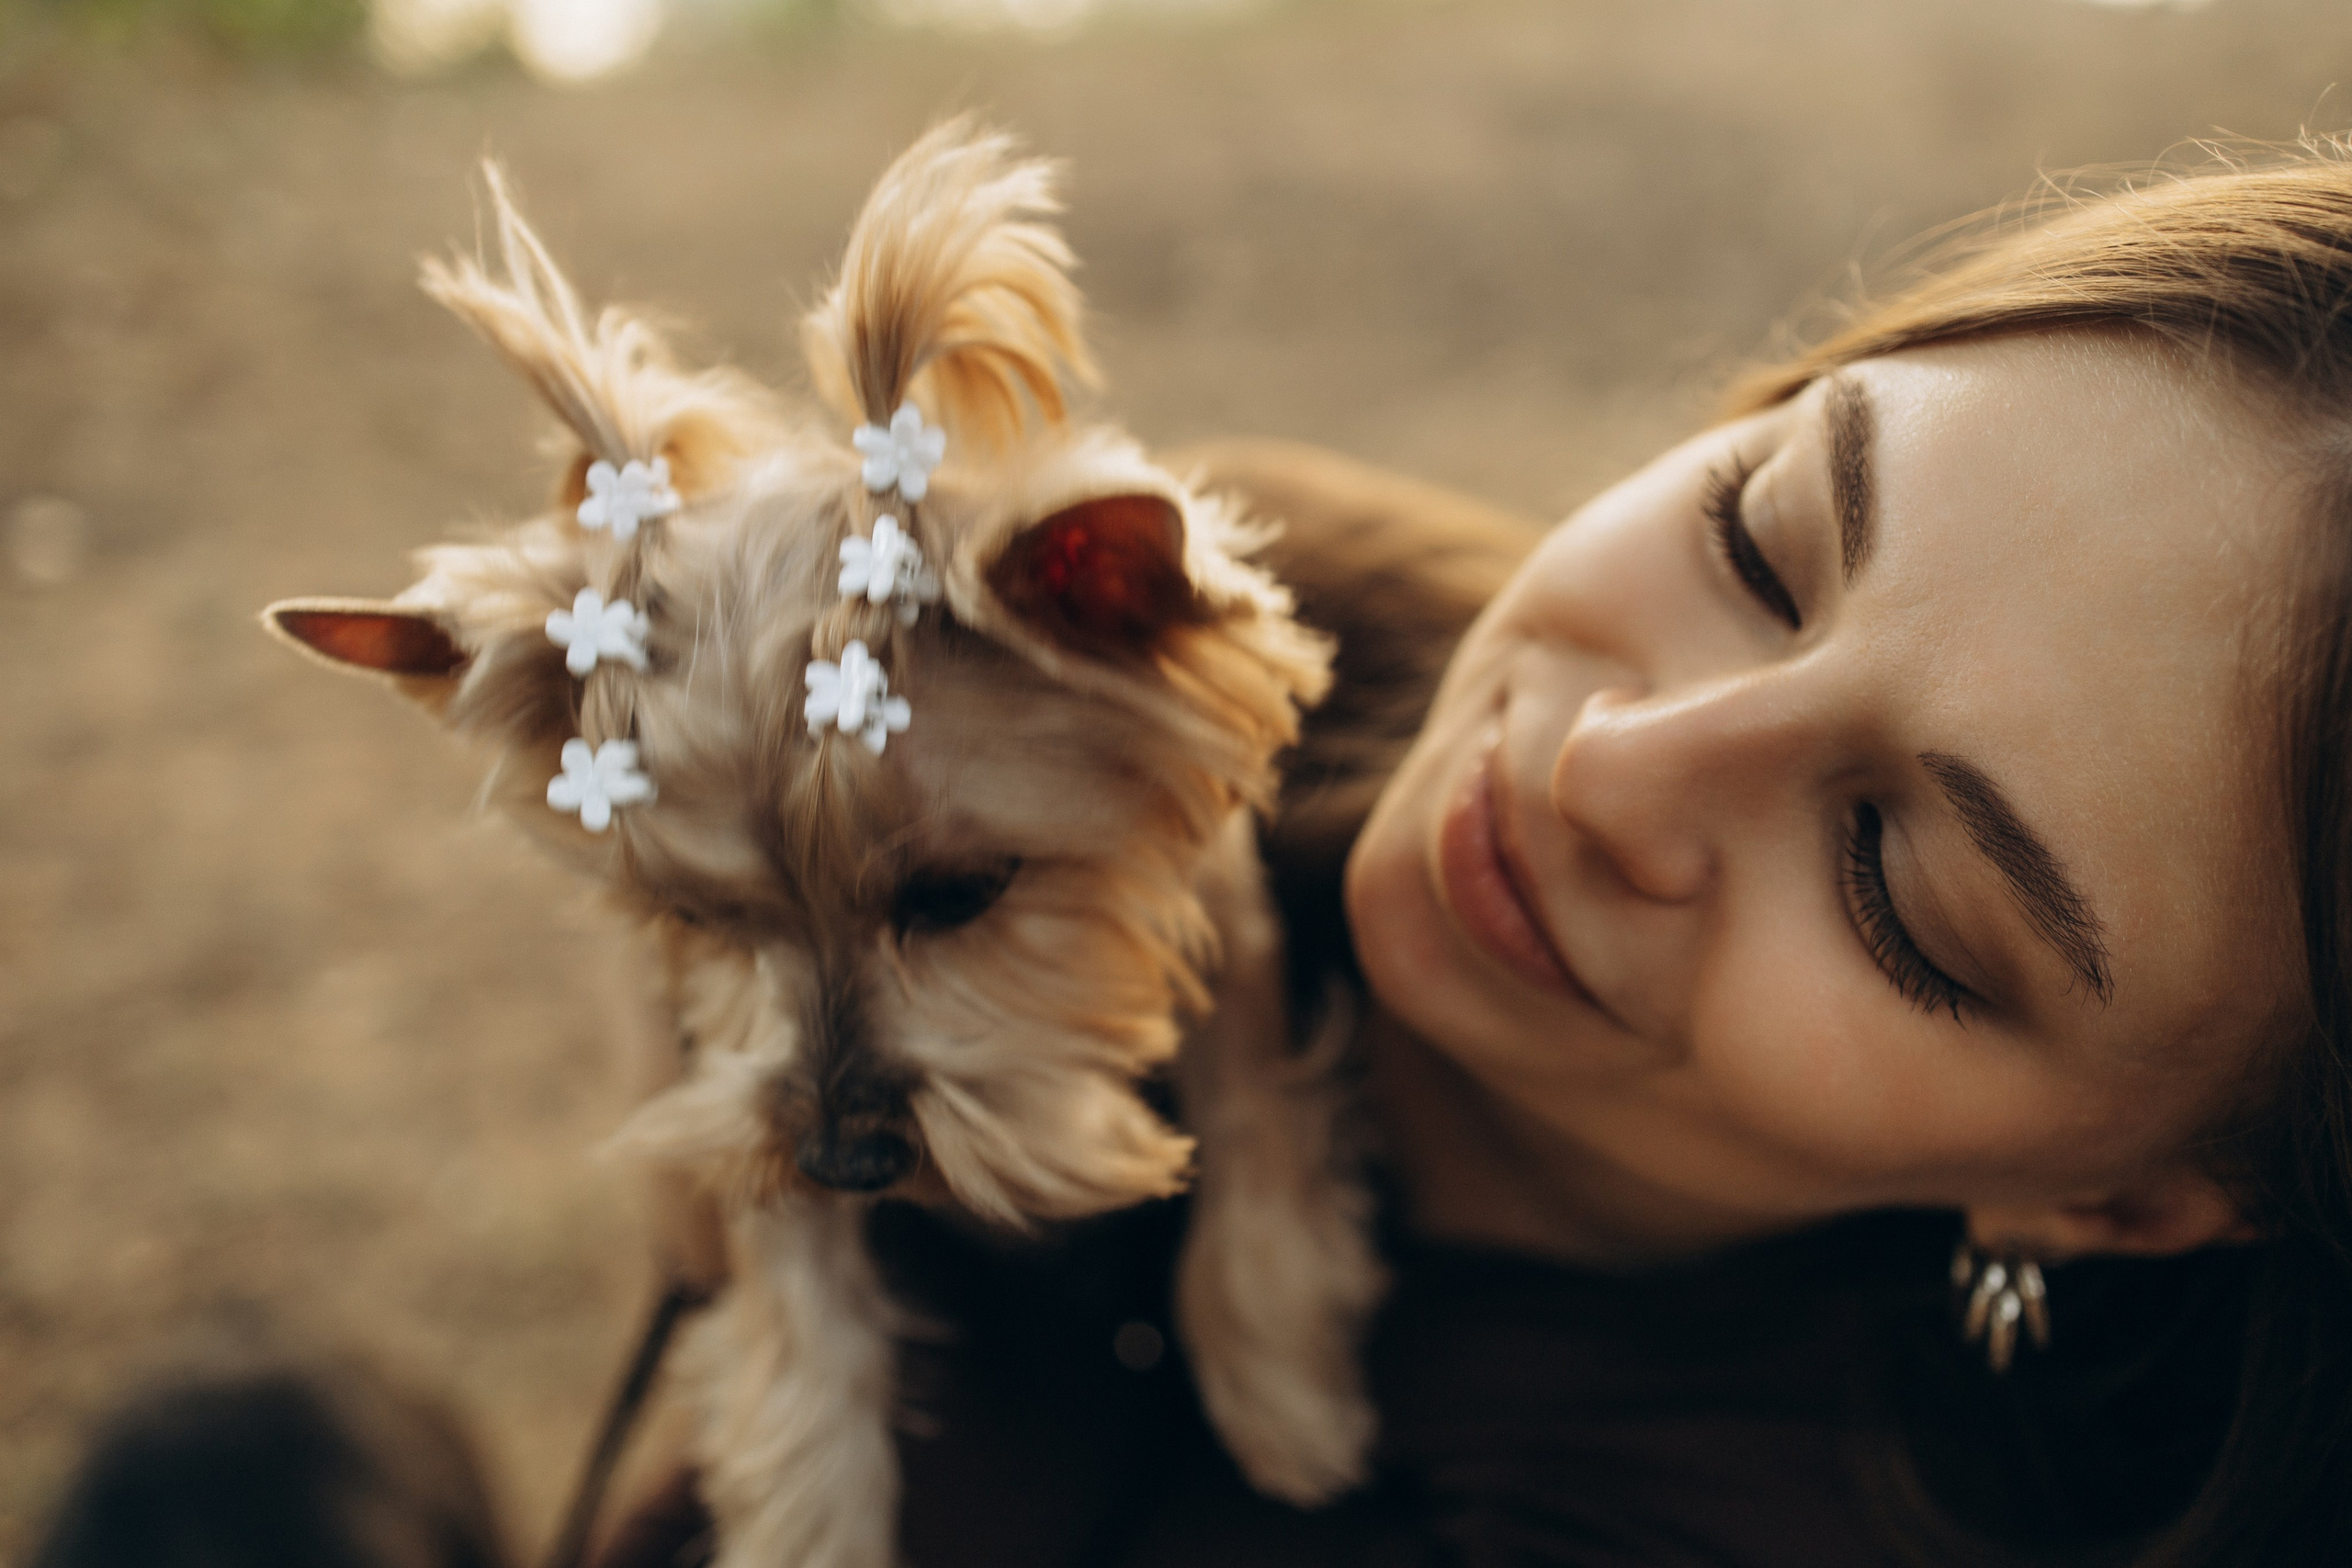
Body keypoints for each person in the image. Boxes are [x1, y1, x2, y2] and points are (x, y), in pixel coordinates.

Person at [610, 142, 2352, 1567]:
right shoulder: (1145, 633)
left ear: (2111, 1199)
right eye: (1759, 543)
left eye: (1899, 893)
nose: (1612, 763)